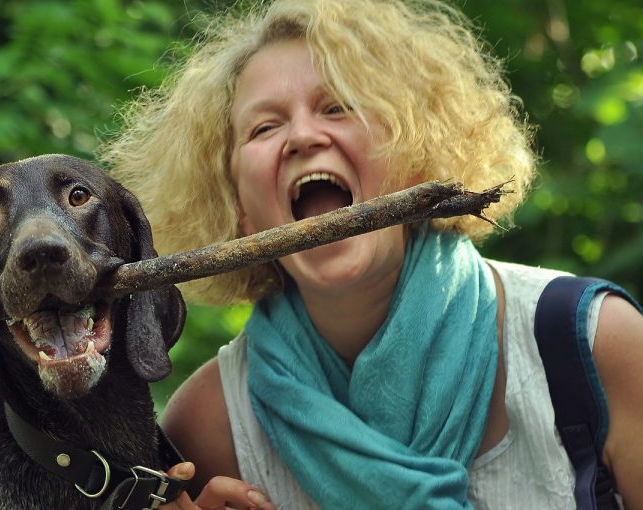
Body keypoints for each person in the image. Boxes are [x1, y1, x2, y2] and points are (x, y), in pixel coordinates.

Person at [101, 0, 643, 508]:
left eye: (338, 107)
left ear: (414, 158)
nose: (303, 136)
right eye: (264, 127)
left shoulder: (596, 345)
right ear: (239, 211)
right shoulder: (206, 426)